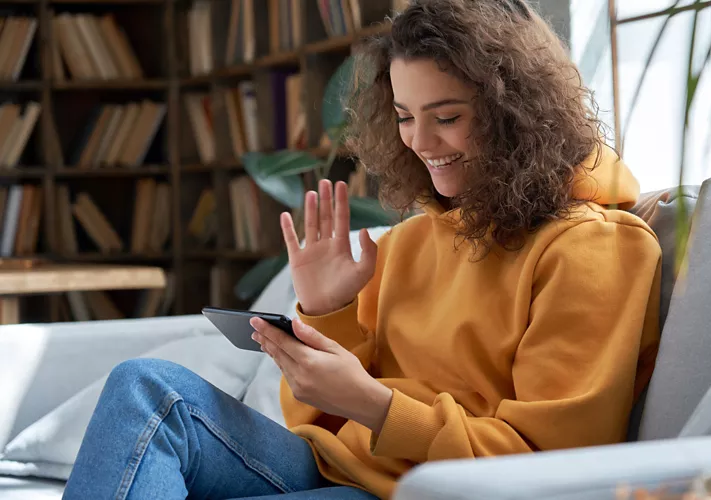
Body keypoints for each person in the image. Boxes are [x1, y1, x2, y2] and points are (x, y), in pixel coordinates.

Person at [63, 0, 662, 499]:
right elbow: (314, 423)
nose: (420, 142)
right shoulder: (410, 241)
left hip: (431, 490)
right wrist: (330, 314)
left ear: (518, 114)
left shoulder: (594, 249)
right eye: (404, 116)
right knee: (147, 390)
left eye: (447, 117)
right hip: (336, 468)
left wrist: (377, 406)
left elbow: (550, 465)